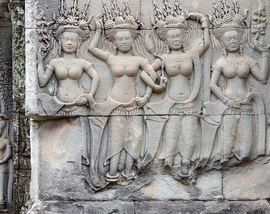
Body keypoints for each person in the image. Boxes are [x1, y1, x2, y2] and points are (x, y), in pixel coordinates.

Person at [88, 15, 166, 183]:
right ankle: (113, 172)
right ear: (114, 42)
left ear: (133, 40)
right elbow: (92, 49)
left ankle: (129, 172)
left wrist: (148, 95)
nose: (124, 42)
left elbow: (152, 76)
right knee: (116, 140)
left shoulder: (139, 60)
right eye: (120, 39)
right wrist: (98, 31)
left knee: (135, 139)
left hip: (134, 103)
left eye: (127, 39)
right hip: (115, 104)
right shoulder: (111, 57)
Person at [143, 10, 210, 179]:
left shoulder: (191, 55)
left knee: (189, 134)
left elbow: (206, 43)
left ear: (183, 37)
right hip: (171, 102)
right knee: (171, 135)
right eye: (171, 37)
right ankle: (169, 162)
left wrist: (204, 21)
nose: (175, 39)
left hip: (189, 100)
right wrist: (157, 85)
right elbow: (145, 72)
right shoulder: (164, 58)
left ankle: (186, 164)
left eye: (178, 36)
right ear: (166, 39)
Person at [209, 29, 270, 163]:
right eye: (229, 39)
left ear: (240, 40)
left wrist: (265, 55)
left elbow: (263, 78)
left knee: (246, 150)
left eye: (235, 38)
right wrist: (226, 101)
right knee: (226, 148)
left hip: (246, 106)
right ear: (223, 43)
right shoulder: (221, 62)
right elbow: (212, 85)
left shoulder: (247, 60)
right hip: (228, 106)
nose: (232, 41)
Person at [37, 27, 100, 115]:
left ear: (78, 43)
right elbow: (42, 82)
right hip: (58, 105)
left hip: (78, 105)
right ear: (60, 41)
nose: (69, 43)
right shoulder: (54, 62)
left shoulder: (82, 62)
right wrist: (40, 60)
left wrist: (89, 96)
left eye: (73, 40)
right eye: (66, 40)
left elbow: (96, 77)